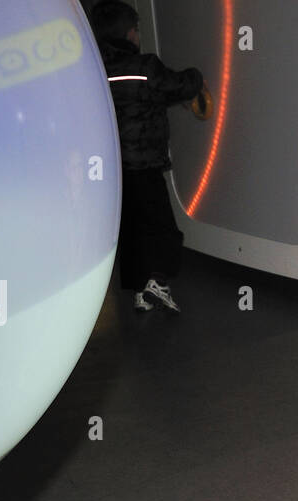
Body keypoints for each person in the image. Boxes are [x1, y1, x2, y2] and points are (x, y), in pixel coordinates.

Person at [90, 1, 207, 314]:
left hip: (116, 168)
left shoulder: (96, 69)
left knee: (131, 229)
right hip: (144, 163)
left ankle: (141, 290)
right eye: (137, 29)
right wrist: (197, 77)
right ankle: (157, 281)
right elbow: (176, 84)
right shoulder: (144, 67)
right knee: (161, 227)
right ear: (130, 34)